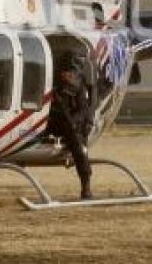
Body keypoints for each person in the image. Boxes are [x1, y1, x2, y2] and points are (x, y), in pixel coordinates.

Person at [48, 50, 95, 199]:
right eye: (66, 73)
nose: (69, 76)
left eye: (71, 73)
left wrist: (74, 122)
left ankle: (86, 186)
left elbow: (84, 110)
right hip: (54, 122)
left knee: (78, 143)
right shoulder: (53, 84)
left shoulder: (79, 87)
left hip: (73, 124)